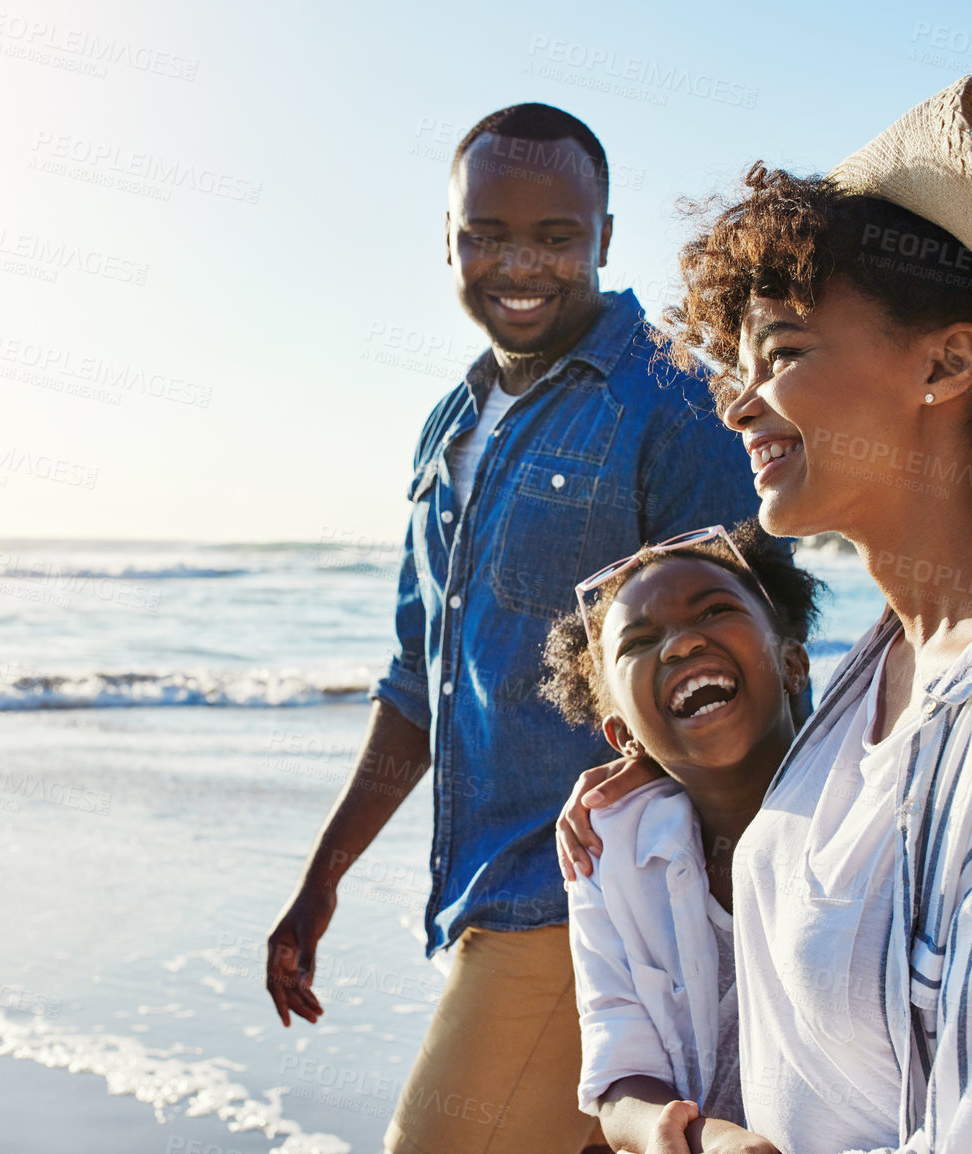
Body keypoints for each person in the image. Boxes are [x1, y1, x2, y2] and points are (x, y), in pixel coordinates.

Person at [557, 75, 972, 1154]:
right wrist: (661, 769)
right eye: (739, 360)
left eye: (786, 352)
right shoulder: (878, 670)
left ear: (946, 362)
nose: (735, 397)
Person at [265, 103, 767, 1154]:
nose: (519, 263)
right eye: (487, 234)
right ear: (446, 239)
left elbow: (754, 650)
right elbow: (420, 682)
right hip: (481, 890)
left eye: (555, 236)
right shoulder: (449, 427)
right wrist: (323, 878)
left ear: (604, 239)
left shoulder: (672, 399)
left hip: (594, 900)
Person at [540, 520, 821, 1153]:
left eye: (716, 609)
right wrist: (698, 1139)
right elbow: (617, 1070)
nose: (679, 644)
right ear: (623, 738)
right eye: (638, 641)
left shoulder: (866, 805)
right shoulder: (604, 848)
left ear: (792, 663)